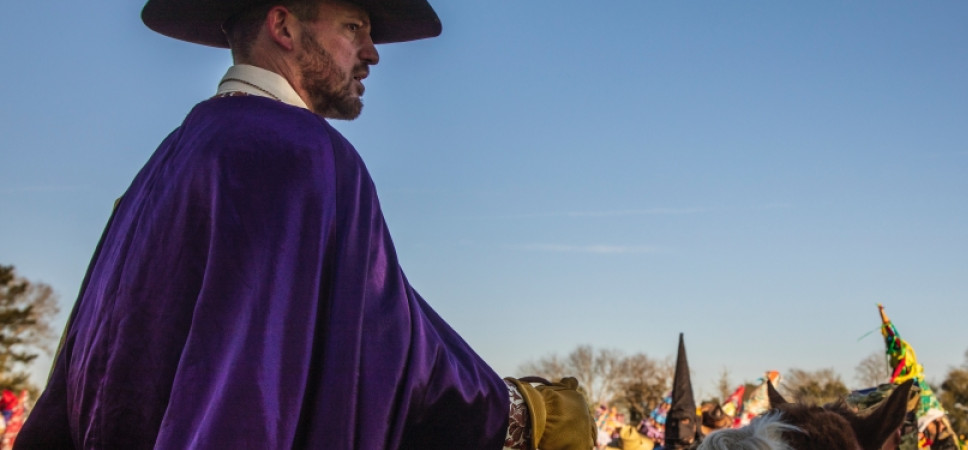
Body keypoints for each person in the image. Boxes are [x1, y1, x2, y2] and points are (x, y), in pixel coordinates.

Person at [15, 0, 594, 448]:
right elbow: (380, 348)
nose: (372, 52)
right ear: (285, 27)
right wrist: (523, 414)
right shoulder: (304, 154)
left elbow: (76, 383)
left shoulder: (156, 174)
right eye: (354, 27)